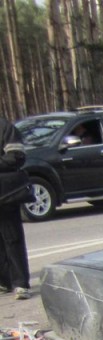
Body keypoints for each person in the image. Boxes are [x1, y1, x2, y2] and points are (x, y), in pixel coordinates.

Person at [0, 116, 31, 299]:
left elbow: (16, 157)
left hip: (4, 193)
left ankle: (20, 283)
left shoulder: (5, 128)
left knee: (11, 237)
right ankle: (4, 281)